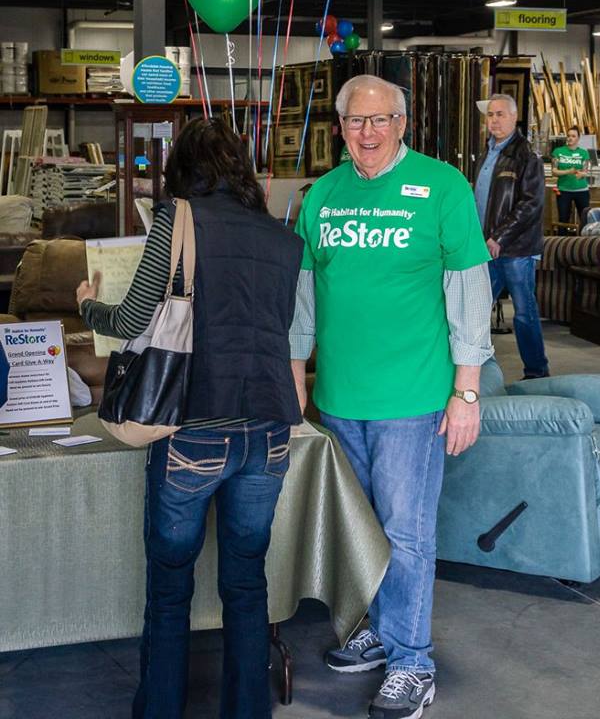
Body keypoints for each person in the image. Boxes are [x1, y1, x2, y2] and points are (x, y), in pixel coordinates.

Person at [76, 118, 303, 719]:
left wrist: (84, 302)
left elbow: (127, 323)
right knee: (247, 585)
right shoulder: (283, 238)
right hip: (271, 431)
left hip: (194, 430)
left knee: (172, 590)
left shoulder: (176, 223)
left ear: (184, 169)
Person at [289, 75, 493, 719]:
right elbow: (300, 300)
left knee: (405, 535)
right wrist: (296, 383)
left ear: (402, 123)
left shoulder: (442, 188)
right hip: (341, 399)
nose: (368, 134)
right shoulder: (321, 195)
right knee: (361, 530)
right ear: (340, 126)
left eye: (380, 121)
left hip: (414, 398)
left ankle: (412, 662)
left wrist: (467, 391)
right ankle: (380, 630)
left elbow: (468, 296)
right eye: (356, 122)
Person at [474, 93, 549, 379]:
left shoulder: (526, 156)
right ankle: (473, 368)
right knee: (476, 312)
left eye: (500, 114)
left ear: (514, 117)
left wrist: (499, 238)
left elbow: (531, 204)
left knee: (523, 313)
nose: (494, 120)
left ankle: (537, 372)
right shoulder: (487, 153)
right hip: (486, 248)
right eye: (490, 114)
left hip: (515, 249)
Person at [552, 126, 590, 233]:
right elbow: (554, 171)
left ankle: (584, 244)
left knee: (584, 219)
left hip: (581, 190)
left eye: (573, 136)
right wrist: (568, 172)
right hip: (563, 190)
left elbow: (585, 171)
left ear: (578, 138)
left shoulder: (584, 153)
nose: (570, 138)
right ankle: (561, 245)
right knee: (563, 219)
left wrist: (581, 174)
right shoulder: (558, 151)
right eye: (568, 136)